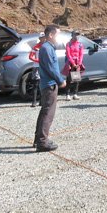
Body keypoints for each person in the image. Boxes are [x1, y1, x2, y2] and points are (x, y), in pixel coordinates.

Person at [35, 24, 66, 152]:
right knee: (48, 113)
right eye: (58, 35)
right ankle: (42, 142)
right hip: (49, 84)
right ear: (51, 35)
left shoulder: (48, 48)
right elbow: (51, 68)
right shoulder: (47, 48)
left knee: (45, 111)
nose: (59, 38)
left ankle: (38, 139)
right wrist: (60, 80)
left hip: (48, 84)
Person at [62, 30, 85, 101]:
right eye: (76, 35)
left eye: (78, 35)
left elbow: (81, 54)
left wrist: (79, 63)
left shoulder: (80, 44)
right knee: (69, 79)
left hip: (77, 62)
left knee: (76, 79)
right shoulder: (68, 44)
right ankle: (67, 94)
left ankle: (75, 94)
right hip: (70, 62)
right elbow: (68, 54)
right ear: (72, 35)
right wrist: (73, 63)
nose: (77, 36)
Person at [28, 32, 46, 107]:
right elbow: (30, 56)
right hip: (36, 67)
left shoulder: (47, 46)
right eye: (42, 37)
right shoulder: (36, 47)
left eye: (44, 37)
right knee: (35, 84)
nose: (43, 39)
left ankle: (42, 101)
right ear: (39, 38)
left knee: (43, 84)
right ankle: (34, 101)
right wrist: (38, 61)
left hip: (44, 67)